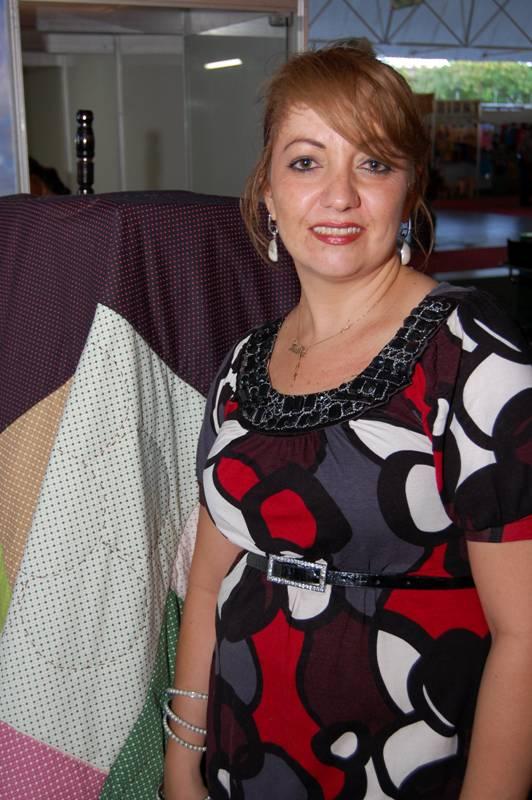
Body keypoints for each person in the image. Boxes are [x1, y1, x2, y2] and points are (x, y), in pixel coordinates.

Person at [163, 46, 532, 800]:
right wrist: (181, 768)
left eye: (373, 164)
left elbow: (526, 635)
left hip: (401, 767)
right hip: (241, 760)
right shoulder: (242, 366)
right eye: (306, 163)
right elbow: (206, 587)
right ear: (268, 192)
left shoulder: (472, 355)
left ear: (409, 191)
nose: (338, 196)